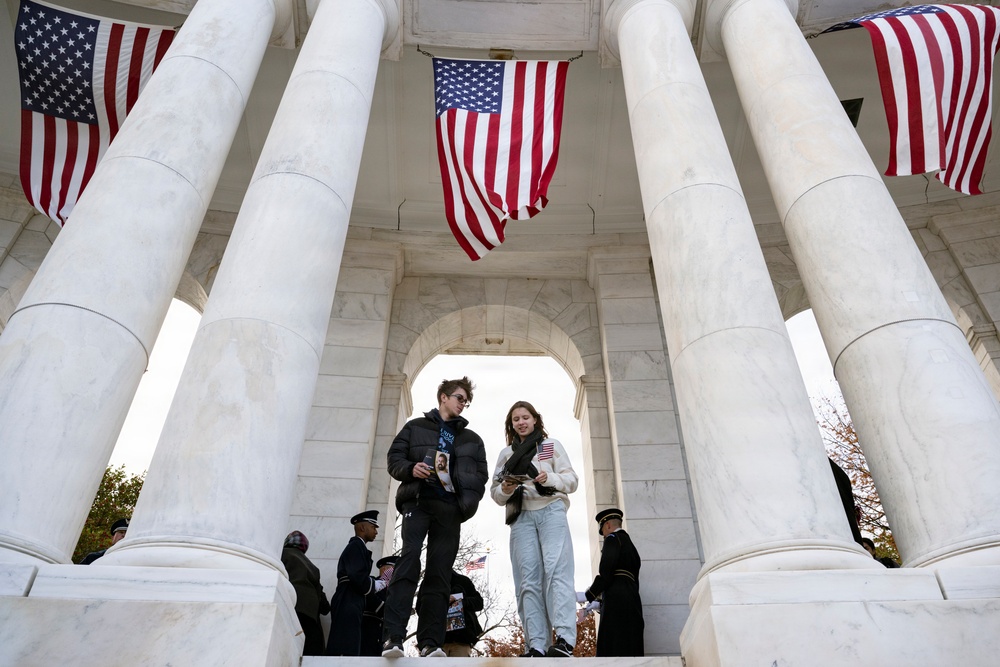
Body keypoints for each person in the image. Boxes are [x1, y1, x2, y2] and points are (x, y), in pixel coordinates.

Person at [381, 377, 489, 659]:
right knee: (408, 563)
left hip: (449, 510)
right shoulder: (415, 426)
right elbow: (394, 458)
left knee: (439, 576)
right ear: (443, 397)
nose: (463, 404)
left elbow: (481, 476)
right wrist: (410, 469)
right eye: (459, 397)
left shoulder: (472, 439)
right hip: (418, 502)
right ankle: (393, 637)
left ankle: (430, 642)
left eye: (466, 400)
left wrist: (465, 504)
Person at [490, 400, 578, 658]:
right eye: (516, 419)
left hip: (551, 509)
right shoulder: (506, 454)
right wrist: (505, 488)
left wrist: (549, 478)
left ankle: (563, 639)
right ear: (511, 424)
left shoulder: (551, 446)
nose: (521, 422)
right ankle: (536, 645)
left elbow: (572, 480)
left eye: (525, 417)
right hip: (522, 515)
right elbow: (495, 494)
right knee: (527, 581)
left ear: (535, 420)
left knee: (556, 573)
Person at [585, 508, 644, 657]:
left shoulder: (612, 538)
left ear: (608, 526)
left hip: (616, 599)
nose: (604, 536)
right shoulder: (631, 547)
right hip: (632, 598)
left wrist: (588, 595)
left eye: (603, 531)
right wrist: (600, 602)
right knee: (630, 641)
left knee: (612, 643)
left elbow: (607, 571)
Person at [326, 510, 386, 656]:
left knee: (350, 642)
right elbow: (356, 574)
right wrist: (374, 584)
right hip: (348, 597)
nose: (376, 531)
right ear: (362, 528)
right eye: (373, 527)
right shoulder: (355, 546)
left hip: (352, 597)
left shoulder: (359, 547)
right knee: (345, 643)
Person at [280, 531, 330, 656]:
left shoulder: (282, 554)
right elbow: (324, 606)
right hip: (310, 617)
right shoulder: (313, 568)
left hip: (290, 608)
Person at [360, 556, 397, 656]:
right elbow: (370, 598)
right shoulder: (372, 582)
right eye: (393, 569)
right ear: (384, 569)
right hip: (366, 631)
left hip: (381, 636)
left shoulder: (392, 591)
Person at [442, 569, 484, 657]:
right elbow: (420, 608)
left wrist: (460, 601)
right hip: (437, 642)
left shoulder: (463, 581)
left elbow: (479, 603)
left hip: (461, 640)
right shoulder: (429, 582)